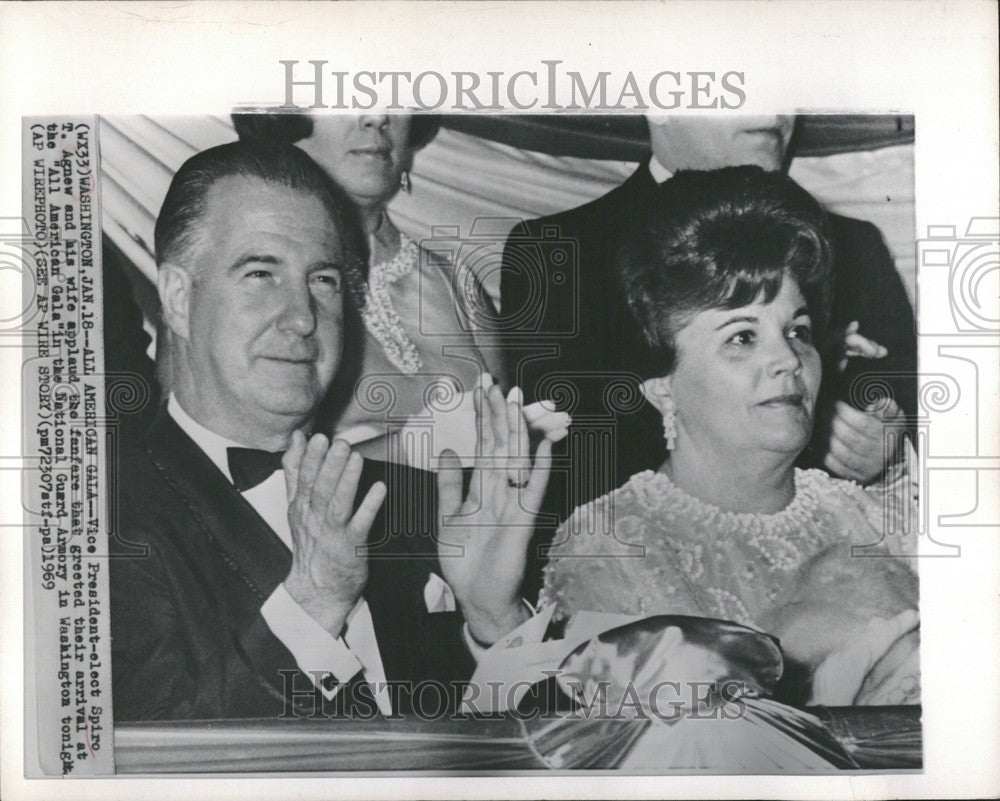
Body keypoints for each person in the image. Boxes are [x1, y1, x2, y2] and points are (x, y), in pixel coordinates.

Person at [109, 140, 548, 721]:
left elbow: (573, 757)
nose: (302, 317)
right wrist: (312, 603)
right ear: (178, 299)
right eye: (261, 273)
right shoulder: (99, 512)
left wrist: (495, 622)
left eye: (323, 281)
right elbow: (137, 768)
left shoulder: (416, 502)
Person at [534, 167, 919, 707]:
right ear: (662, 386)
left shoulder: (874, 517)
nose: (788, 359)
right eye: (742, 337)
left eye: (798, 331)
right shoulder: (611, 542)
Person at [500, 115, 916, 521]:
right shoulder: (557, 253)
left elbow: (932, 428)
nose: (775, 110)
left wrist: (890, 454)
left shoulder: (856, 248)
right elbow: (566, 464)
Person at [232, 112, 506, 470]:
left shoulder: (457, 282)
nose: (377, 117)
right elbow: (242, 477)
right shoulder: (250, 278)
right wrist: (412, 447)